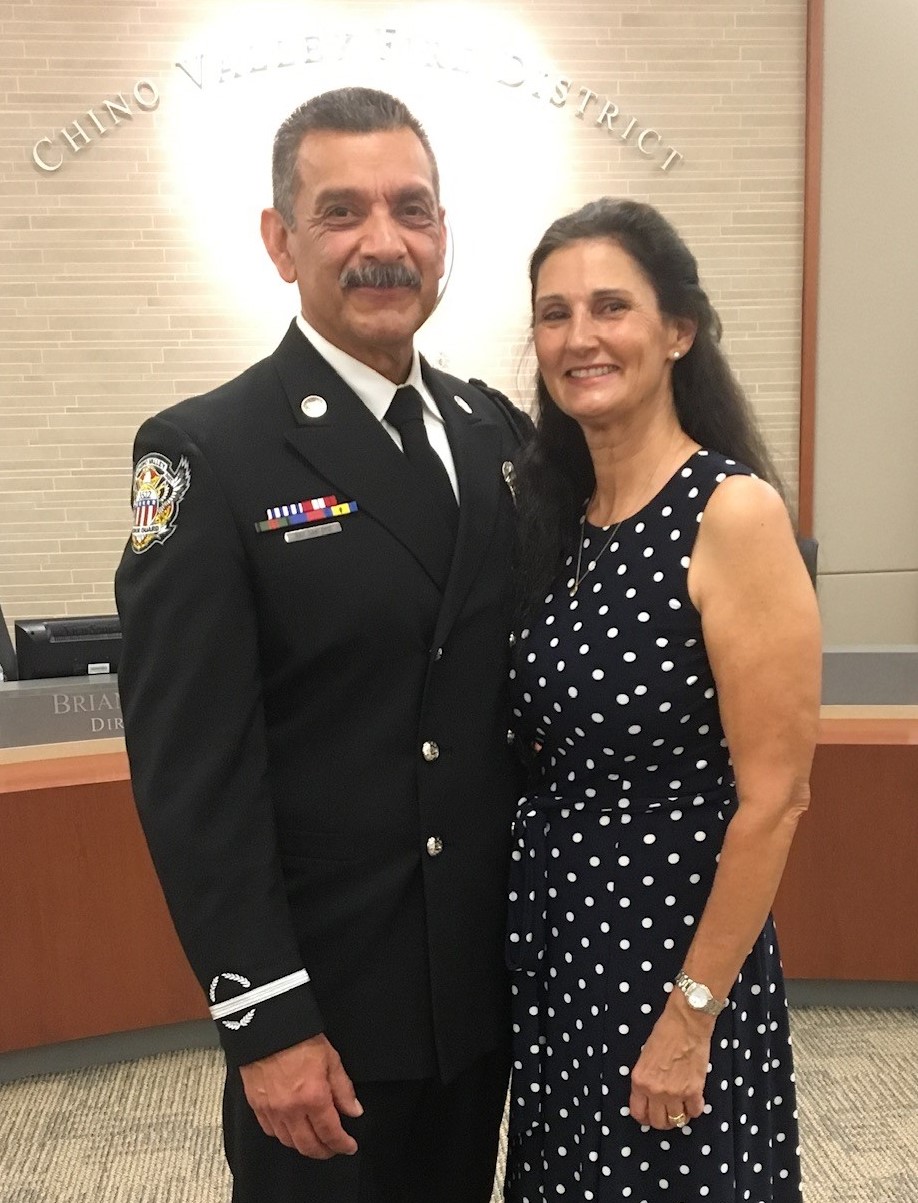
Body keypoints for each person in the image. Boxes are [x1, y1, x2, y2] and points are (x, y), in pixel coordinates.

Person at [115, 87, 530, 1203]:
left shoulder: (499, 435)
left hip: (479, 998)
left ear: (445, 237)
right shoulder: (210, 456)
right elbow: (194, 778)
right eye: (342, 211)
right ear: (279, 239)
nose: (384, 242)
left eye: (413, 209)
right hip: (326, 1016)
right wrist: (266, 1021)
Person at [504, 197, 821, 1201]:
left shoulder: (731, 512)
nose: (579, 338)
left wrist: (692, 1016)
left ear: (677, 329)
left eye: (610, 307)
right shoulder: (556, 516)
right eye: (554, 315)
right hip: (563, 953)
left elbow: (775, 798)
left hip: (673, 954)